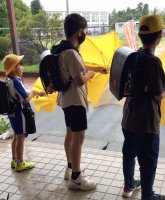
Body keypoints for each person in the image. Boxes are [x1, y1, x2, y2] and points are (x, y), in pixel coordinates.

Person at [53, 13, 107, 191]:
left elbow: (75, 71)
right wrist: (91, 74)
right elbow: (80, 80)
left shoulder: (62, 49)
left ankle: (70, 167)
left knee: (70, 134)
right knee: (79, 137)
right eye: (85, 31)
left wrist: (96, 69)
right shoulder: (72, 53)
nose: (86, 34)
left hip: (66, 99)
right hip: (75, 101)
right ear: (78, 32)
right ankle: (76, 178)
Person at [121, 15, 165, 199]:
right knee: (148, 161)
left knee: (129, 152)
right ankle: (148, 196)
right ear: (160, 35)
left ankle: (128, 185)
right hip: (147, 122)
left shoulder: (133, 57)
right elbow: (159, 94)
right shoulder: (153, 62)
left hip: (129, 117)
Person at [2, 54, 44, 172]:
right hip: (19, 113)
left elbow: (20, 94)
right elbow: (25, 98)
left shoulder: (9, 80)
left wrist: (35, 92)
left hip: (12, 113)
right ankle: (20, 163)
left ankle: (14, 160)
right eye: (20, 64)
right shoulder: (15, 81)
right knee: (20, 137)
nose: (23, 67)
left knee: (16, 135)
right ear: (14, 68)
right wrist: (34, 92)